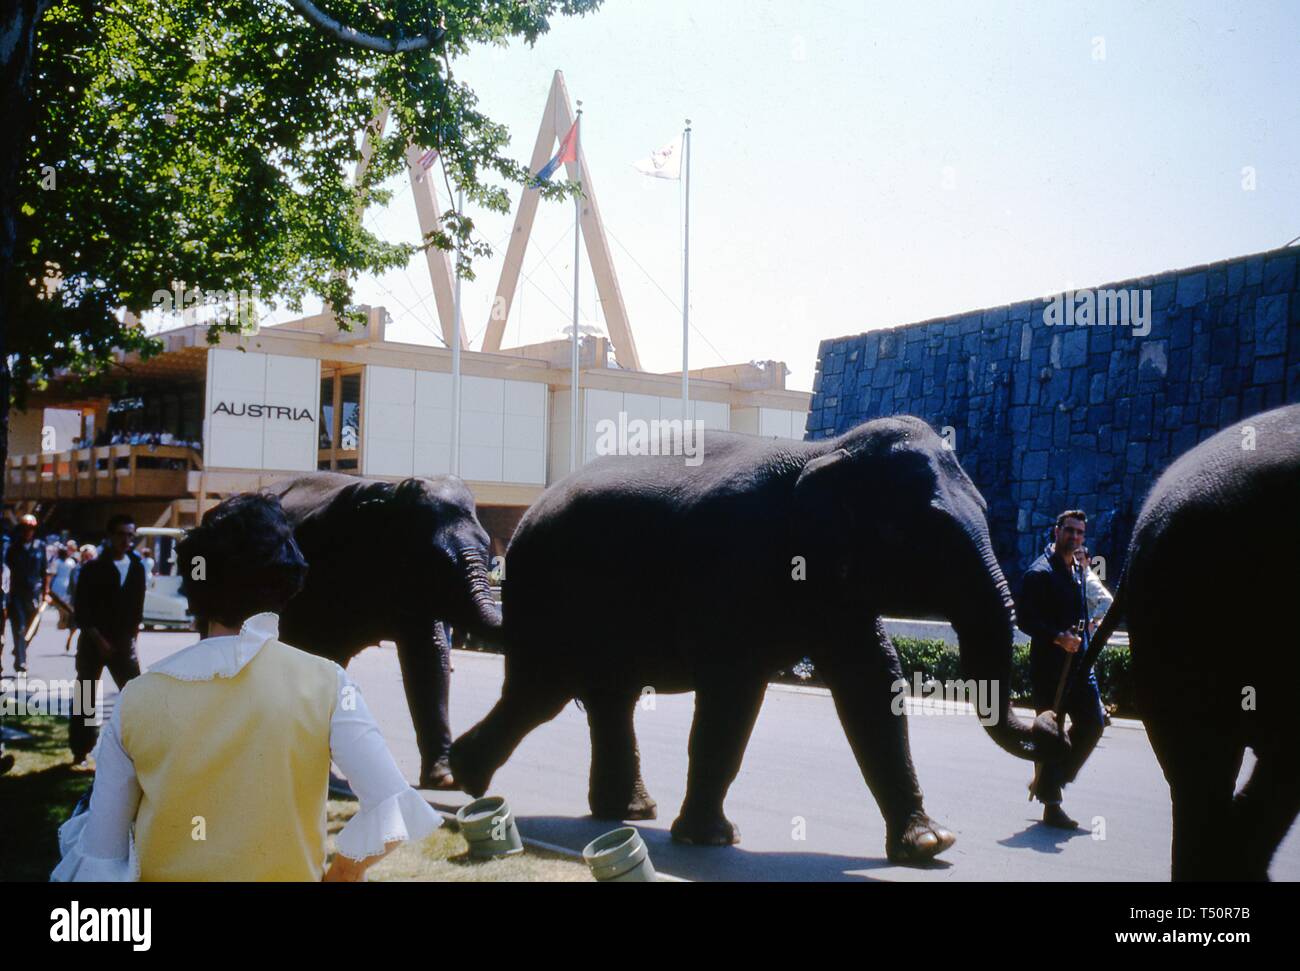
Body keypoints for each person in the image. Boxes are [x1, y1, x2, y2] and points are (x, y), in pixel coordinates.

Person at [52, 493, 441, 881]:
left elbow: (101, 856)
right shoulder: (325, 683)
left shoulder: (137, 697)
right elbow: (391, 804)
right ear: (284, 583)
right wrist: (342, 873)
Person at [1016, 509, 1108, 829]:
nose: (1076, 537)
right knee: (1051, 735)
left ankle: (1049, 783)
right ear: (1056, 531)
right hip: (1050, 669)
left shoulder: (1079, 569)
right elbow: (1024, 619)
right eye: (1070, 531)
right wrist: (1057, 637)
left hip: (1079, 665)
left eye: (1081, 532)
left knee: (1093, 723)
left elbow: (1090, 604)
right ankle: (1051, 805)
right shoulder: (1038, 573)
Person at [68, 514, 147, 768]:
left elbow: (137, 607)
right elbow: (82, 609)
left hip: (123, 641)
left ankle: (137, 748)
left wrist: (133, 638)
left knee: (135, 693)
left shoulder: (137, 567)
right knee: (85, 695)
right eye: (121, 534)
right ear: (110, 536)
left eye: (130, 535)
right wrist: (98, 640)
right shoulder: (92, 568)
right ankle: (81, 749)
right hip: (94, 641)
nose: (126, 540)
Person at [5, 513, 49, 674]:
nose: (28, 531)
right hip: (16, 594)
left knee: (34, 627)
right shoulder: (13, 548)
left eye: (31, 528)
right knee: (19, 628)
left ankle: (19, 648)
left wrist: (46, 591)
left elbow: (45, 571)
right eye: (25, 528)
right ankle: (21, 661)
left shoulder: (40, 546)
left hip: (34, 593)